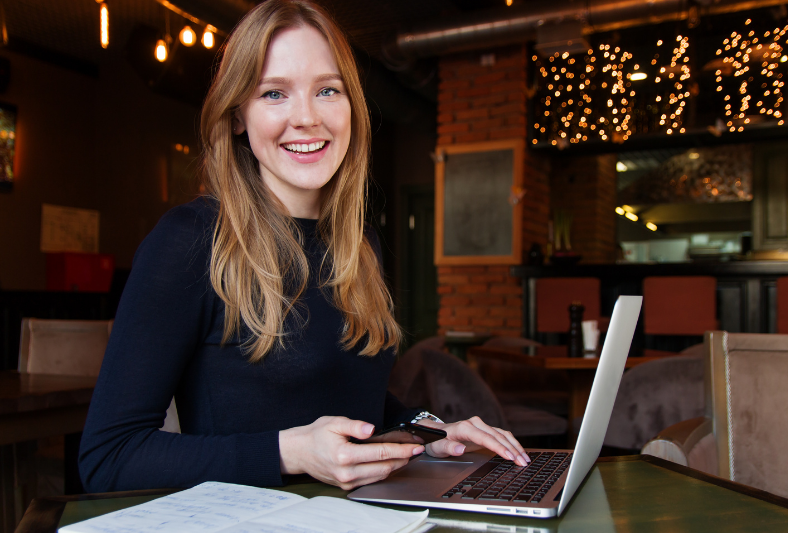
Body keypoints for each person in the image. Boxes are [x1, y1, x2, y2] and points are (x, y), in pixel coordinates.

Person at [79, 0, 529, 493]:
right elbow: (109, 457)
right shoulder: (188, 240)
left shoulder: (359, 243)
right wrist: (287, 453)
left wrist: (430, 429)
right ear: (236, 117)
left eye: (327, 90)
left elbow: (359, 405)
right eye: (274, 93)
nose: (307, 118)